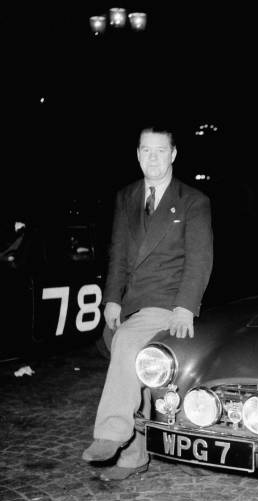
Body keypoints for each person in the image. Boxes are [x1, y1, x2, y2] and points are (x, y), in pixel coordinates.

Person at [82, 125, 213, 480]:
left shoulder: (193, 201)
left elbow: (199, 259)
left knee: (126, 342)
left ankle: (111, 433)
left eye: (160, 151)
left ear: (173, 155)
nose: (152, 158)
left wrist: (185, 306)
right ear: (137, 154)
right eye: (145, 151)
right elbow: (119, 255)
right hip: (131, 304)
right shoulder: (126, 196)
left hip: (167, 302)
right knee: (127, 355)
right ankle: (135, 455)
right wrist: (111, 299)